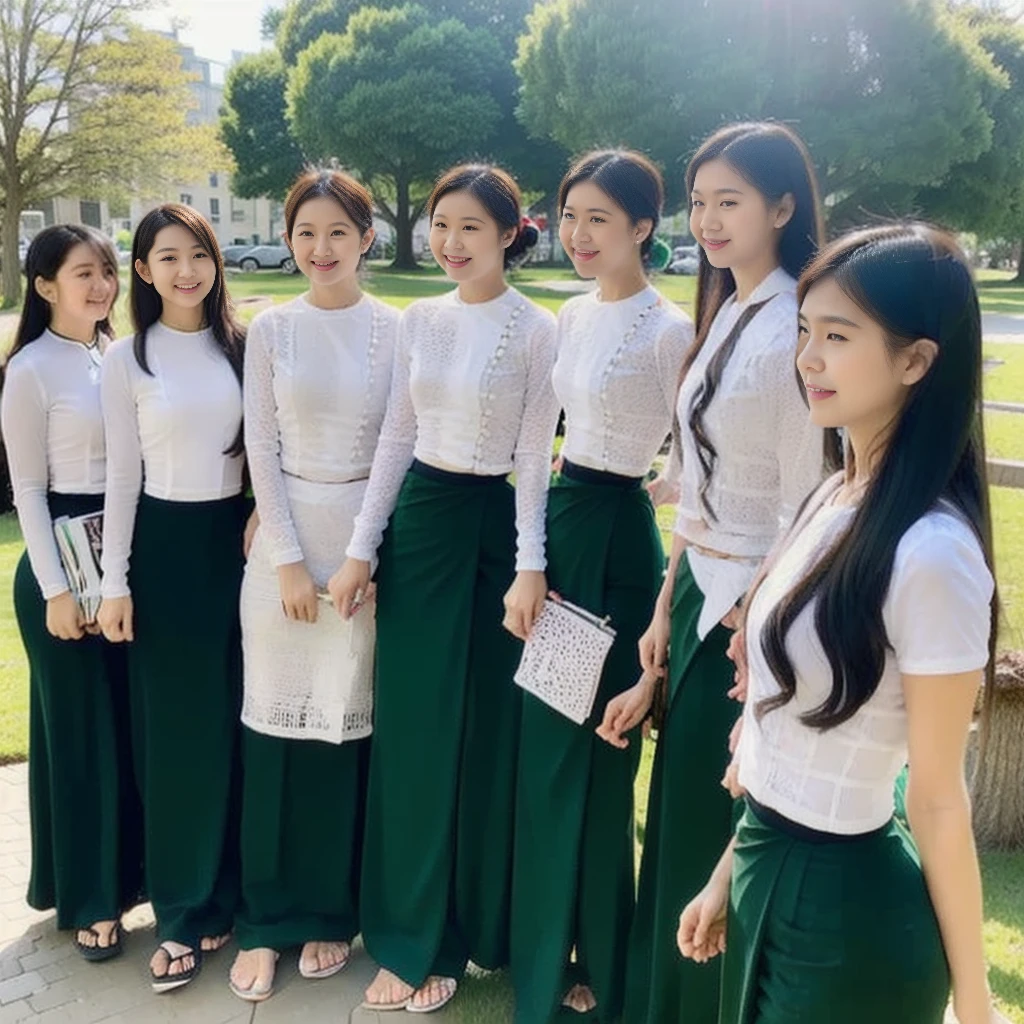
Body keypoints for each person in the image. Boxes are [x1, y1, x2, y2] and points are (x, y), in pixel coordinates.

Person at [678, 222, 1009, 1024]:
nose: (808, 358)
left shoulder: (933, 553)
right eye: (803, 330)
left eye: (838, 335)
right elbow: (786, 728)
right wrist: (730, 870)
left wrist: (974, 1000)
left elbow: (935, 797)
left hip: (850, 913)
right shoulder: (831, 498)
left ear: (916, 360)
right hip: (765, 860)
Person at [598, 121, 827, 1024]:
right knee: (681, 819)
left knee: (711, 823)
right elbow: (698, 488)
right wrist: (662, 612)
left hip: (755, 607)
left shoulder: (798, 326)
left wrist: (755, 616)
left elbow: (806, 504)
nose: (709, 220)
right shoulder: (729, 308)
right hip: (698, 589)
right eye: (699, 202)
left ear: (782, 205)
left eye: (729, 200)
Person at [329, 163, 559, 1015]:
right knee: (415, 733)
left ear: (509, 232)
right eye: (440, 224)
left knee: (487, 736)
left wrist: (530, 563)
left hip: (496, 537)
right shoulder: (417, 320)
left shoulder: (540, 329)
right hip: (419, 528)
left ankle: (474, 930)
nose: (450, 241)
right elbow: (397, 436)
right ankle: (407, 933)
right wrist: (361, 550)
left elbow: (535, 454)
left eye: (469, 226)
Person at [510, 149, 693, 1024]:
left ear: (643, 229)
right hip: (563, 524)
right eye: (569, 215)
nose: (577, 235)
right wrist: (529, 560)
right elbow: (545, 440)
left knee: (603, 757)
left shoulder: (670, 331)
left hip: (621, 546)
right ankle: (544, 957)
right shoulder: (569, 317)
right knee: (549, 753)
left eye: (598, 220)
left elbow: (699, 462)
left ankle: (601, 959)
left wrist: (655, 486)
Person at [228, 169, 399, 1002]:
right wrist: (289, 558)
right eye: (305, 232)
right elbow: (260, 443)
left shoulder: (397, 330)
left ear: (365, 237)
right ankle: (266, 921)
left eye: (337, 232)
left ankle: (331, 913)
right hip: (284, 549)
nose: (319, 249)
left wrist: (359, 556)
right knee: (273, 735)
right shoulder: (272, 330)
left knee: (341, 734)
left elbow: (397, 448)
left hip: (362, 552)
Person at [97, 204, 247, 992]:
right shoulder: (129, 358)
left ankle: (236, 895)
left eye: (198, 253)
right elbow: (124, 477)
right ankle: (183, 911)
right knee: (180, 740)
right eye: (166, 256)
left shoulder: (245, 344)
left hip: (244, 551)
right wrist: (112, 581)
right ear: (144, 270)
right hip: (163, 552)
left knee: (243, 726)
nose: (185, 269)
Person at [1, 225, 142, 962]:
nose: (100, 286)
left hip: (118, 556)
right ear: (45, 284)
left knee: (121, 724)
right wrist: (57, 590)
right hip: (63, 556)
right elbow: (25, 487)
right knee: (80, 734)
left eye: (108, 272)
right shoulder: (30, 369)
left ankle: (127, 879)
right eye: (83, 273)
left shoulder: (112, 355)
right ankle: (90, 901)